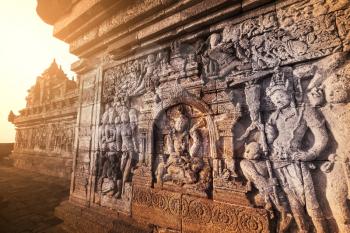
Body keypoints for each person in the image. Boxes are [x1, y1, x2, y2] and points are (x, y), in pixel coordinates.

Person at [265, 69, 328, 233]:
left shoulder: (304, 110)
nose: (277, 99)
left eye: (280, 95)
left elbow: (322, 138)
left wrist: (308, 155)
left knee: (310, 200)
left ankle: (322, 229)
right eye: (273, 97)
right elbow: (269, 139)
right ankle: (303, 229)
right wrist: (266, 133)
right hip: (278, 162)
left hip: (297, 161)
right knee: (292, 200)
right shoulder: (274, 117)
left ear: (290, 91)